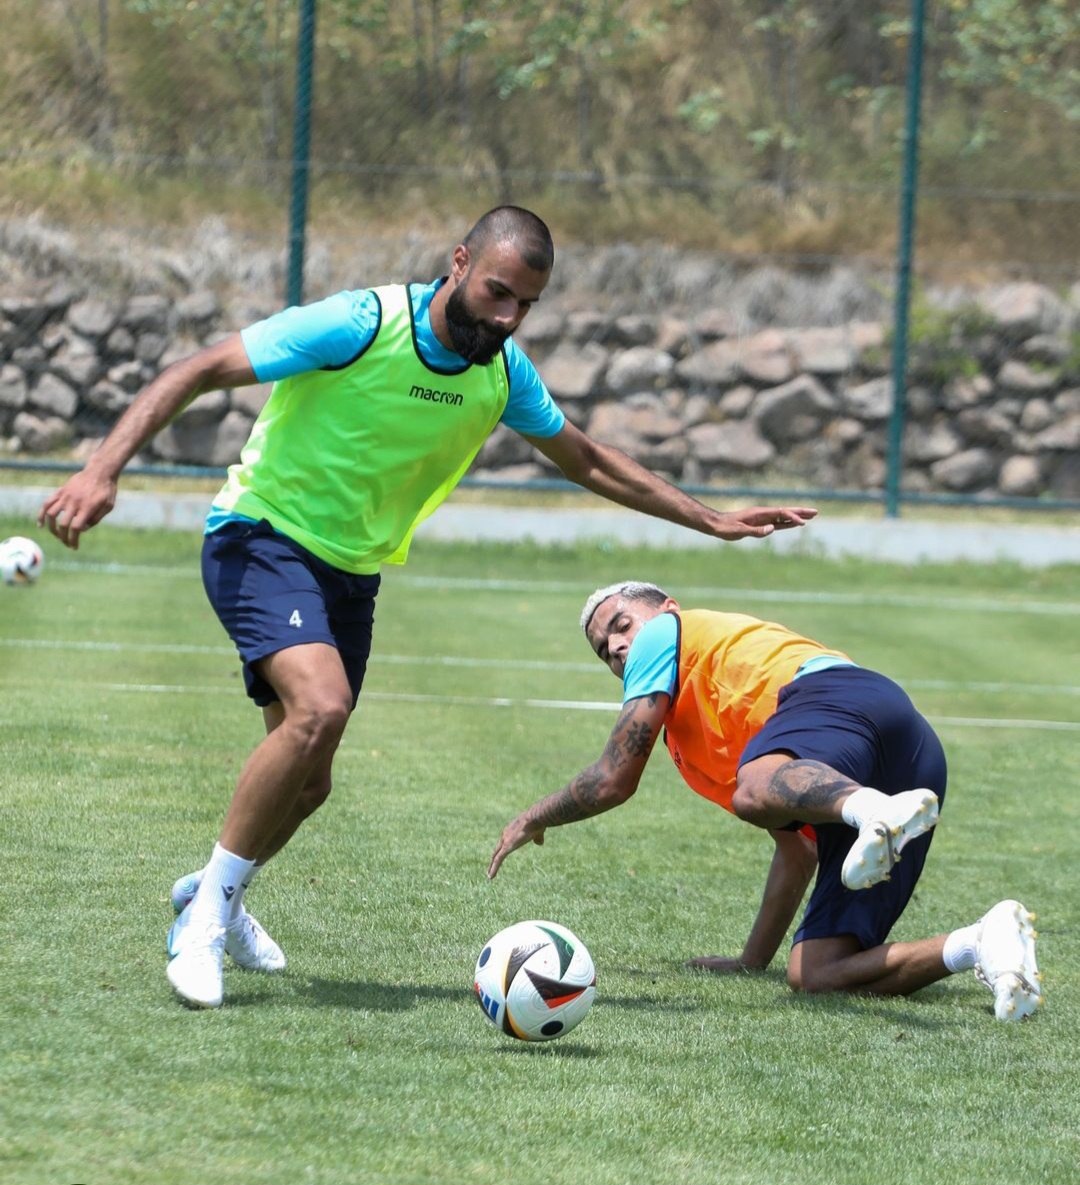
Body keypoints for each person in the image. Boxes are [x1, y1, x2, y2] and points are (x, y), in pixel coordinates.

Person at [39, 207, 817, 1009]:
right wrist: (102, 469)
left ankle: (213, 890)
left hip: (351, 573)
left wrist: (714, 519)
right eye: (498, 292)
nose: (508, 317)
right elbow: (199, 368)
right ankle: (203, 921)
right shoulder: (361, 322)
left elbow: (587, 459)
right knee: (320, 708)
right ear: (458, 262)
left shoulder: (502, 373)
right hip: (261, 535)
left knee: (309, 785)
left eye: (526, 305)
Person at [488, 580, 1043, 1022]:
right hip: (908, 759)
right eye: (603, 649)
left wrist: (533, 816)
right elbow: (796, 849)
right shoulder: (690, 742)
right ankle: (981, 942)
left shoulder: (668, 634)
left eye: (621, 624)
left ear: (667, 609)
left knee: (754, 789)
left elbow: (613, 779)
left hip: (844, 699)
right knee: (815, 974)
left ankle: (873, 809)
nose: (615, 645)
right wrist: (753, 961)